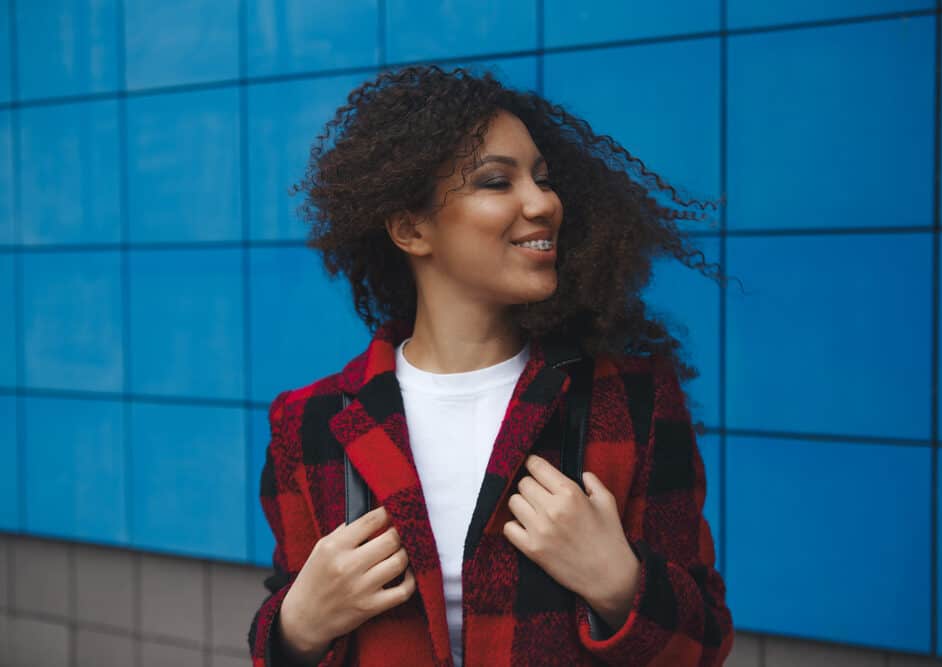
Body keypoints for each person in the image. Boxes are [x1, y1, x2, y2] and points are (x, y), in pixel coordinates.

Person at [248, 63, 736, 667]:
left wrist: (618, 584)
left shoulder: (632, 402)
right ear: (409, 228)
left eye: (544, 178)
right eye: (496, 182)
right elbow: (281, 629)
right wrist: (299, 623)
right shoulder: (309, 422)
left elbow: (704, 645)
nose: (543, 203)